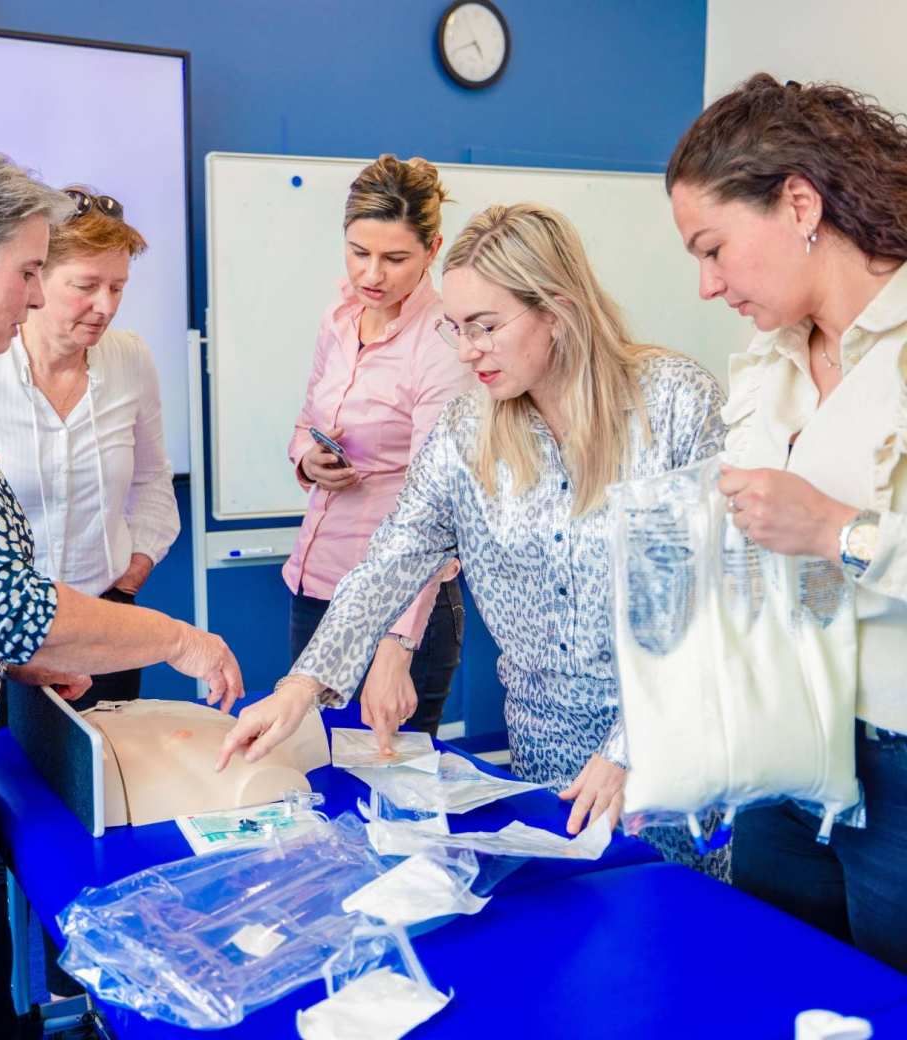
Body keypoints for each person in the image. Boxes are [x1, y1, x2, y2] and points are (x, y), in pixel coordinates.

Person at [217, 202, 728, 874]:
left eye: (485, 327)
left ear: (558, 308)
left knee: (684, 930)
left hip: (679, 737)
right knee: (575, 927)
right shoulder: (467, 432)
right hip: (547, 745)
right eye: (455, 329)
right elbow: (391, 560)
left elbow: (713, 599)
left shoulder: (675, 401)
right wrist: (300, 685)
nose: (467, 352)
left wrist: (631, 747)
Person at [0, 146, 242, 1040]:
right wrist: (178, 640)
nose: (39, 297)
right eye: (32, 272)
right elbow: (7, 599)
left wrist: (27, 653)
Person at [667, 72, 907, 972]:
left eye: (714, 248)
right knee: (772, 979)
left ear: (798, 202)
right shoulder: (762, 366)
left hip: (899, 764)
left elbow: (820, 533)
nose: (705, 284)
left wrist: (839, 531)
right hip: (781, 748)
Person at [0, 186, 178, 711]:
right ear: (34, 278)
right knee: (3, 786)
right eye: (86, 285)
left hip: (102, 632)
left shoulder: (130, 359)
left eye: (118, 288)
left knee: (99, 785)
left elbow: (153, 481)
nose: (105, 307)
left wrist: (128, 580)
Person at [285, 154, 473, 748]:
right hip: (316, 586)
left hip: (400, 604)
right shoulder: (337, 319)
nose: (372, 274)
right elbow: (306, 421)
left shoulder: (442, 343)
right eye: (358, 251)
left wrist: (397, 643)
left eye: (395, 258)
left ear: (432, 248)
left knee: (393, 789)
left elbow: (436, 510)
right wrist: (306, 460)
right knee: (319, 772)